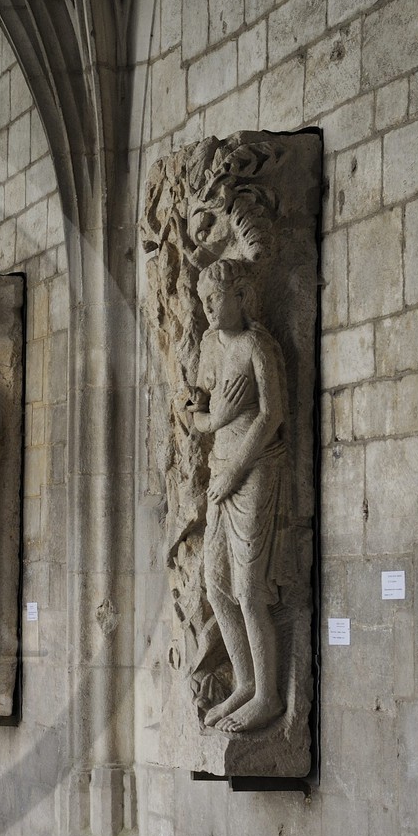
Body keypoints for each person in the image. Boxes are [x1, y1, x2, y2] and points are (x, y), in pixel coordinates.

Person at [181, 258, 290, 734]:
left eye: (214, 298)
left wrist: (235, 469)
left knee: (248, 589)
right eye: (203, 301)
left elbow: (272, 417)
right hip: (220, 468)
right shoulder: (210, 346)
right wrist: (215, 419)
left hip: (256, 468)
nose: (207, 308)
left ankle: (268, 696)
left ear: (240, 296)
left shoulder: (257, 346)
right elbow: (198, 416)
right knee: (215, 584)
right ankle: (245, 682)